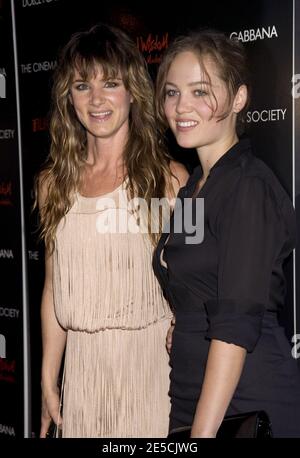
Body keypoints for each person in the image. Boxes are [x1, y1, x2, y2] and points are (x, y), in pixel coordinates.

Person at [36, 23, 188, 438]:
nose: (97, 99)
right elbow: (53, 288)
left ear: (133, 91)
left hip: (151, 380)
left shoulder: (169, 182)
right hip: (82, 382)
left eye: (112, 83)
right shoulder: (54, 185)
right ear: (68, 97)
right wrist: (49, 378)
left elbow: (199, 283)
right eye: (83, 85)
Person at [153, 29, 300, 438]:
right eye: (171, 92)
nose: (181, 106)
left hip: (242, 401)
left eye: (200, 91)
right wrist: (183, 323)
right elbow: (196, 283)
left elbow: (234, 333)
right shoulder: (194, 185)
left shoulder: (248, 186)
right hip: (191, 392)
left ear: (238, 98)